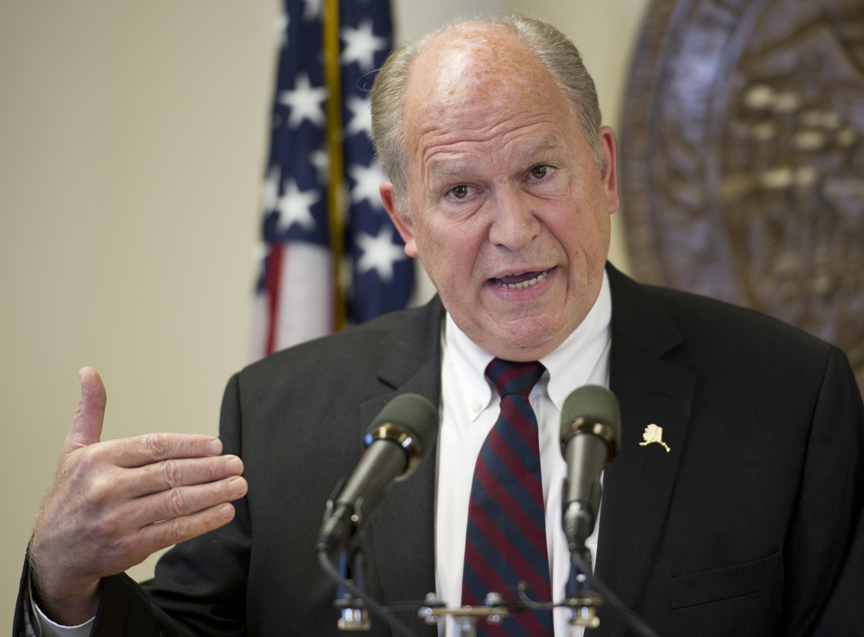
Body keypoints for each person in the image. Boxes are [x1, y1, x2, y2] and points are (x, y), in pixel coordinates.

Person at [15, 15, 864, 637]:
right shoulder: (276, 417)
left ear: (603, 169)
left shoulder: (790, 397)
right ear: (405, 218)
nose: (514, 228)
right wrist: (63, 582)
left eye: (540, 171)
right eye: (461, 190)